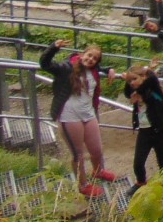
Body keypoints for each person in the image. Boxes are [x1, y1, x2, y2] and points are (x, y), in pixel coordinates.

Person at [39, 40, 117, 197]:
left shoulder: (94, 70)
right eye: (89, 55)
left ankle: (98, 171)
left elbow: (100, 68)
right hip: (70, 116)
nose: (91, 59)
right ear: (82, 54)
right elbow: (45, 64)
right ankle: (83, 185)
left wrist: (110, 70)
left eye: (95, 58)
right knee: (78, 154)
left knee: (97, 150)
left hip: (88, 113)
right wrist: (54, 47)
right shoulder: (67, 68)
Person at [124, 65, 163, 191]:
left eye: (134, 79)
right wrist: (127, 81)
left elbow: (152, 84)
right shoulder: (135, 90)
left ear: (144, 77)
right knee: (138, 162)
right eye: (130, 81)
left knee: (162, 160)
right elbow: (127, 93)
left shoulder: (152, 88)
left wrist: (147, 71)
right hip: (144, 131)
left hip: (159, 129)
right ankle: (141, 182)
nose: (132, 83)